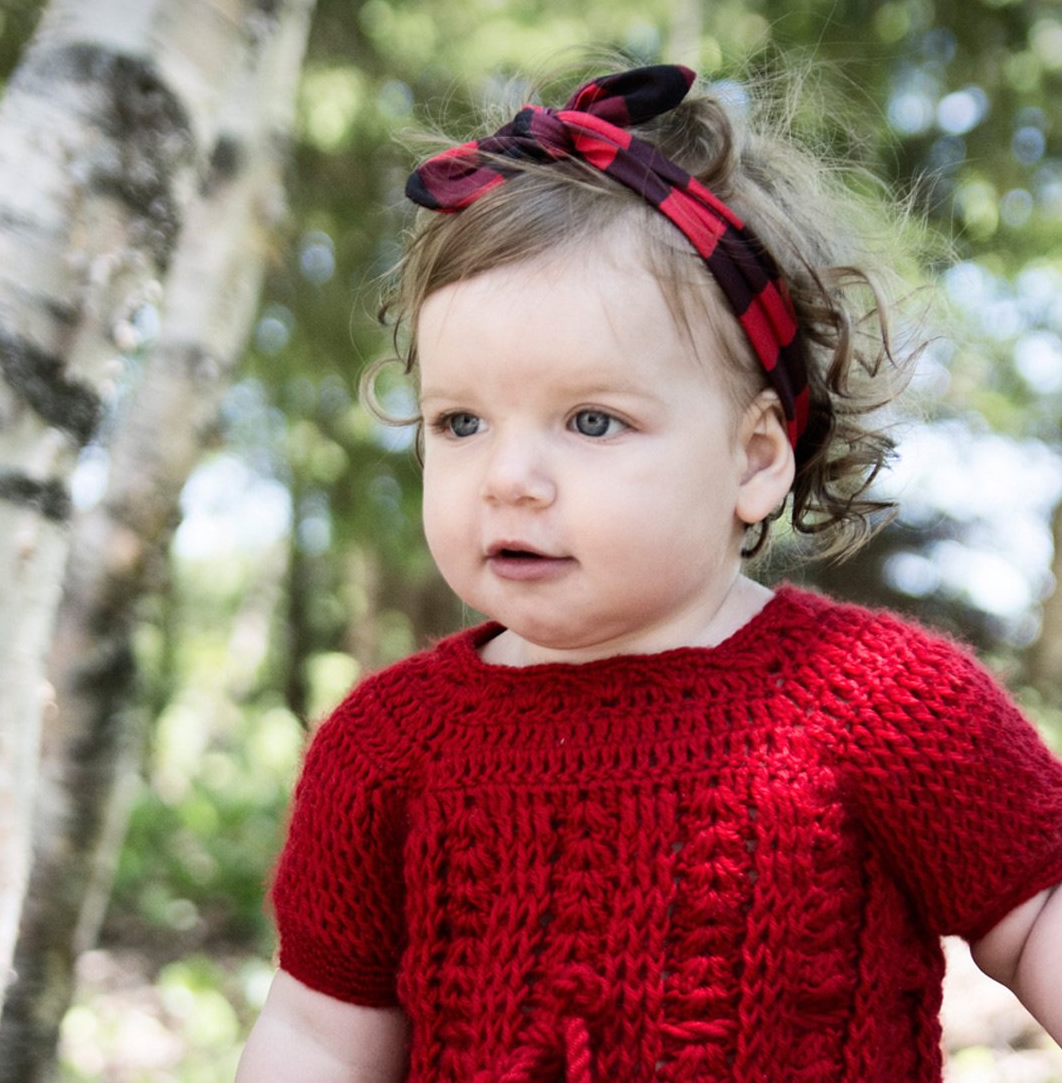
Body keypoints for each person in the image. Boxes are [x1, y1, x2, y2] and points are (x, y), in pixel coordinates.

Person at [235, 61, 1062, 1082]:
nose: (510, 478)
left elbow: (1038, 919)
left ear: (755, 459)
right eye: (461, 421)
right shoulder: (386, 747)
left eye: (592, 421)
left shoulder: (878, 703)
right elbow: (320, 1034)